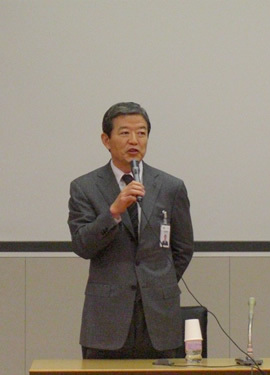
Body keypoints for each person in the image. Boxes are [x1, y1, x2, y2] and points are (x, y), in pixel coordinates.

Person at [68, 102, 194, 359]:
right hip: (107, 320)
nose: (134, 140)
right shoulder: (85, 187)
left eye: (142, 132)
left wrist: (156, 282)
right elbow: (82, 245)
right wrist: (113, 211)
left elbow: (182, 249)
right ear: (106, 140)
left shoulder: (171, 186)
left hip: (159, 317)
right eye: (125, 133)